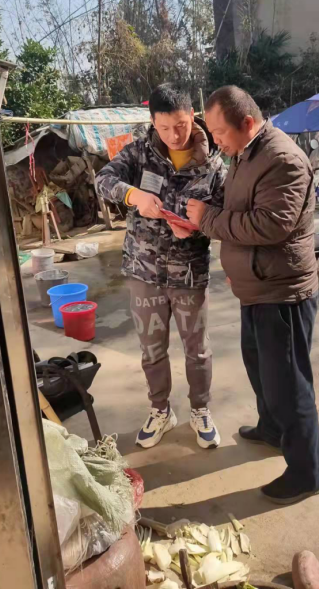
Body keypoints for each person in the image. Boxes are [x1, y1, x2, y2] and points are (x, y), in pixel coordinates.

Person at [186, 85, 319, 505]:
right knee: (260, 367)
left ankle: (307, 473)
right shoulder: (245, 153)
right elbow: (239, 209)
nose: (216, 142)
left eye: (220, 133)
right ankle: (272, 428)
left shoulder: (282, 160)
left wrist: (207, 219)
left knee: (288, 384)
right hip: (257, 285)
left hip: (282, 292)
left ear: (247, 122)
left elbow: (269, 226)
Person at [96, 84, 226, 450]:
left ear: (192, 116)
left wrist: (200, 226)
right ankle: (160, 411)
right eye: (165, 127)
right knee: (152, 350)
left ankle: (200, 410)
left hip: (189, 274)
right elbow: (103, 180)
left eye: (181, 125)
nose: (174, 135)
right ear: (153, 122)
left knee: (197, 350)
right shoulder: (139, 153)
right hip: (144, 271)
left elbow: (227, 217)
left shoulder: (213, 164)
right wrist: (133, 194)